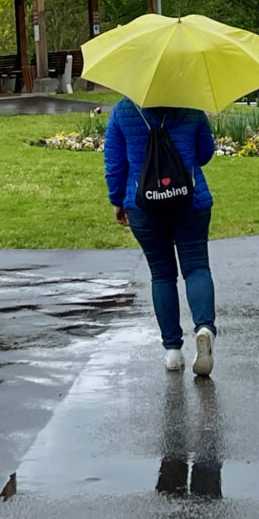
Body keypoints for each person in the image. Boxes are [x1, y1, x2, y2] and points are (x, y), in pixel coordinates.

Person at [104, 98, 217, 375]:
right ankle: (204, 328)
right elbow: (204, 154)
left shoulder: (124, 110)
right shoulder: (191, 105)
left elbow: (115, 162)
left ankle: (173, 351)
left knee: (162, 275)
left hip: (142, 204)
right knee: (197, 267)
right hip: (191, 202)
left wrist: (117, 200)